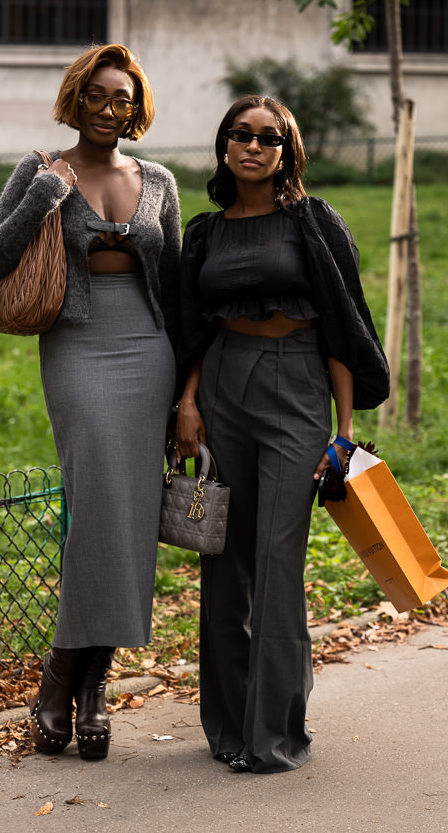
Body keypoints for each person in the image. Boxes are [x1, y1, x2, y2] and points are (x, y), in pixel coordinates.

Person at [0, 44, 180, 761]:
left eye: (123, 98)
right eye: (97, 96)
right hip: (79, 347)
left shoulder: (157, 179)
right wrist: (44, 197)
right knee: (96, 509)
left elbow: (176, 287)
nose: (110, 109)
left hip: (151, 349)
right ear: (76, 99)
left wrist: (189, 391)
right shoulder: (42, 170)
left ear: (137, 108)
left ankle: (90, 684)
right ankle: (65, 673)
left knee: (133, 513)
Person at [175, 94, 389, 774]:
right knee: (223, 561)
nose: (253, 145)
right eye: (240, 134)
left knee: (275, 561)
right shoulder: (205, 233)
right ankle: (229, 728)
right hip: (222, 389)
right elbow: (197, 326)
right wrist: (186, 402)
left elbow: (340, 319)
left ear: (286, 152)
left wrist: (346, 429)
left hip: (296, 384)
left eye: (268, 138)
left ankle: (274, 736)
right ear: (224, 146)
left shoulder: (312, 222)